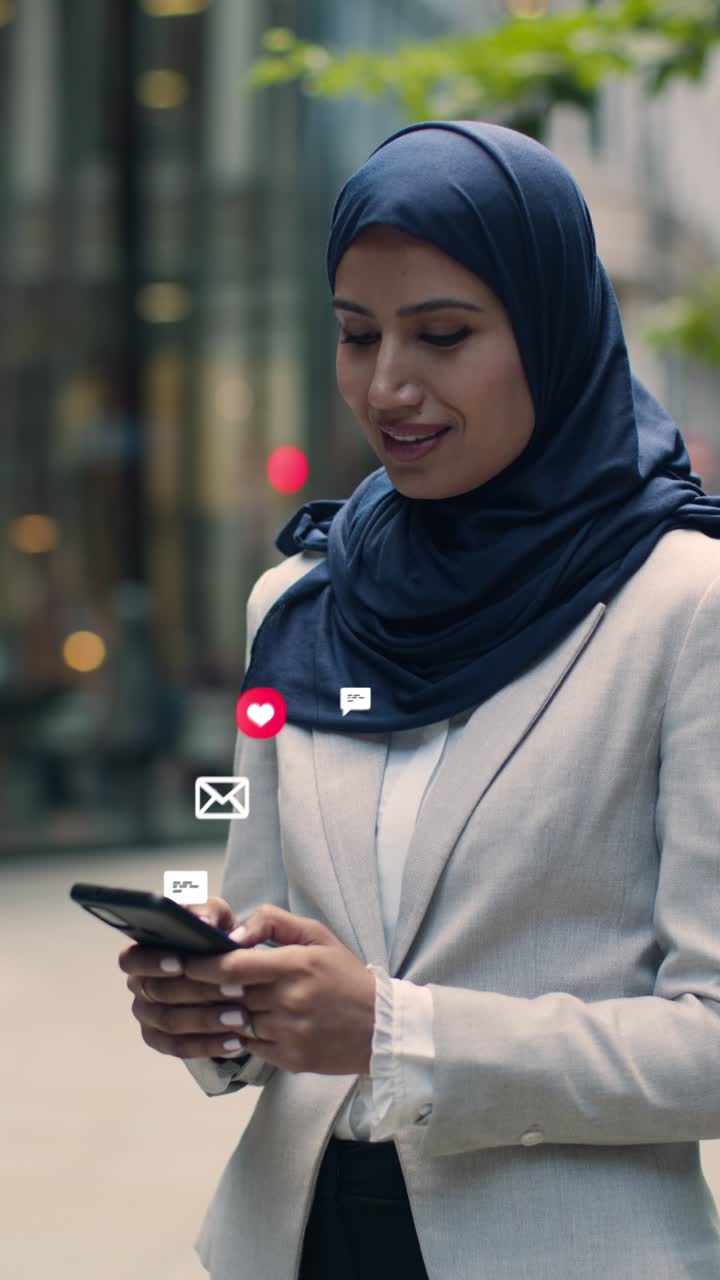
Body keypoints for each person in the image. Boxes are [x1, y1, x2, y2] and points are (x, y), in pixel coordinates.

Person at [118, 121, 720, 1280]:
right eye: (356, 335)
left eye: (442, 334)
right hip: (294, 1241)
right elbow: (269, 918)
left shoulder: (685, 605)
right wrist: (217, 1011)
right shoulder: (298, 601)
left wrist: (402, 1033)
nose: (388, 383)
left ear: (549, 331)